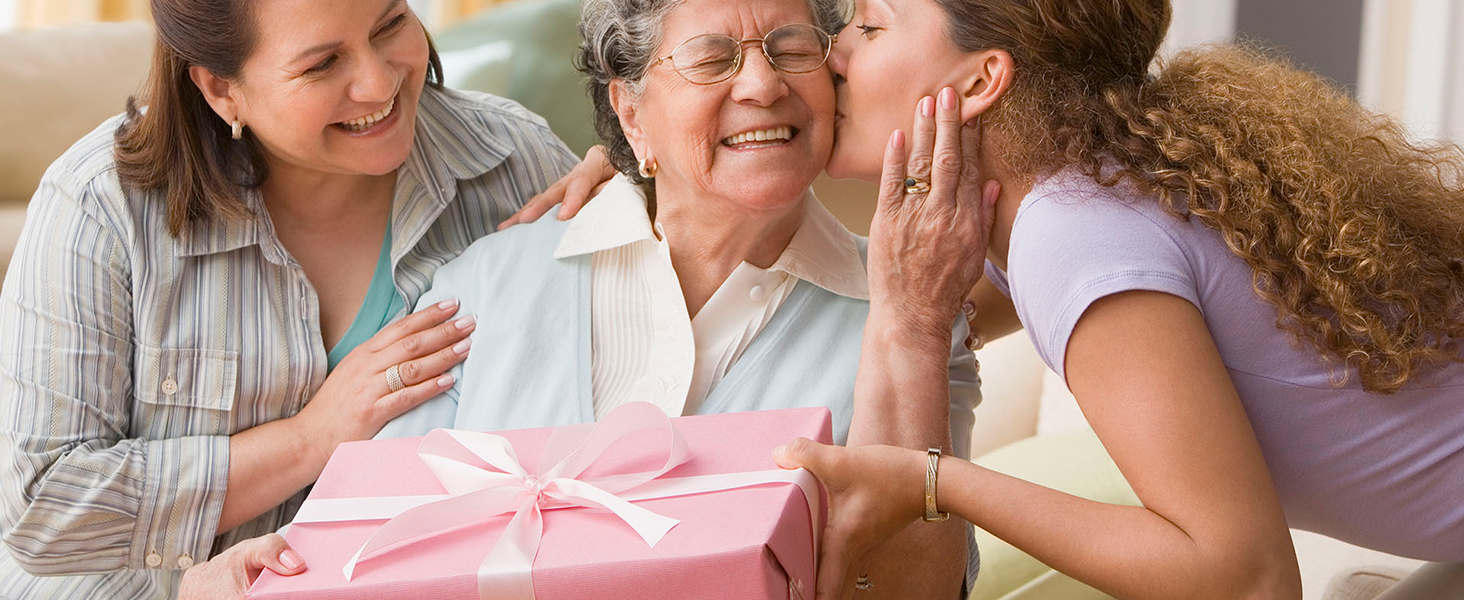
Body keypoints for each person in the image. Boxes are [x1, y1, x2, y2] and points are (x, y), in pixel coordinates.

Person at [527, 1, 1464, 599]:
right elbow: (899, 300)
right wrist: (645, 146)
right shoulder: (1063, 199)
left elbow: (1248, 579)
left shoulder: (1070, 231)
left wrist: (935, 482)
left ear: (980, 80)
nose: (833, 55)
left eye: (870, 26)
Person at [176, 0, 984, 598]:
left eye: (792, 48)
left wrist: (911, 326)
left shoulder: (911, 312)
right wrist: (247, 575)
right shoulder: (481, 288)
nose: (764, 84)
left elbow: (918, 591)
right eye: (710, 58)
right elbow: (366, 552)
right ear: (630, 113)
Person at [0, 0, 579, 597]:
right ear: (223, 90)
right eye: (322, 63)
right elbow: (43, 509)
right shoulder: (101, 207)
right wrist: (311, 437)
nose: (380, 81)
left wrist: (646, 200)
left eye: (389, 25)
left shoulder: (512, 160)